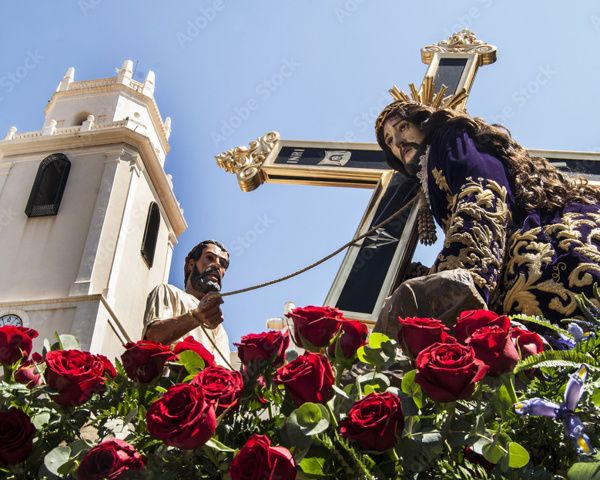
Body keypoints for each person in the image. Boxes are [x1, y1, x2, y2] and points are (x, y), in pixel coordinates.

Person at [373, 94, 600, 336]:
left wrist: (452, 284)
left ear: (423, 122)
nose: (397, 141)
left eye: (403, 127)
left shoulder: (451, 136)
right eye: (389, 140)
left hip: (559, 254)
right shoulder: (428, 176)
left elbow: (483, 195)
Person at [143, 240, 232, 367]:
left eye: (222, 264)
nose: (217, 265)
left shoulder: (218, 327)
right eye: (210, 257)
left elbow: (223, 373)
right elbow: (153, 337)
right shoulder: (168, 291)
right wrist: (196, 317)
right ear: (191, 264)